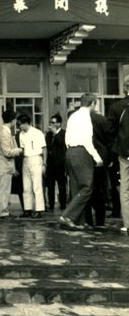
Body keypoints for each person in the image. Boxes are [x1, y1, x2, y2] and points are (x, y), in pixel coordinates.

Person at [60, 94, 104, 230]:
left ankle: (79, 221)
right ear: (93, 103)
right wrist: (97, 157)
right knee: (86, 187)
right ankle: (67, 216)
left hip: (70, 151)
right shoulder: (86, 118)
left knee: (76, 187)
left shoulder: (73, 116)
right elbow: (87, 141)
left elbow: (67, 137)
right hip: (82, 152)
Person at [107, 76, 129, 234]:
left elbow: (110, 131)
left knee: (125, 188)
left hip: (124, 152)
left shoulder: (116, 107)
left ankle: (128, 223)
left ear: (125, 88)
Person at [86, 104, 113, 227]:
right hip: (101, 156)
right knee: (100, 189)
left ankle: (87, 219)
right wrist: (110, 157)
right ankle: (100, 219)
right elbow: (109, 139)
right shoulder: (101, 119)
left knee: (86, 188)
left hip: (85, 156)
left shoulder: (79, 119)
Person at [17, 114, 47, 219]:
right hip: (26, 159)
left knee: (37, 186)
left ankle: (39, 210)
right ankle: (27, 209)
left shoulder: (38, 133)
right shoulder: (21, 134)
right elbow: (22, 149)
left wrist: (44, 164)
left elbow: (44, 149)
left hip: (36, 158)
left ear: (26, 123)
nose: (19, 126)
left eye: (20, 124)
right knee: (26, 186)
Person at [0, 110, 23, 219]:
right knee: (4, 191)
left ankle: (4, 211)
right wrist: (19, 150)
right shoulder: (4, 133)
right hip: (4, 166)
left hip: (6, 166)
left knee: (6, 191)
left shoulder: (5, 131)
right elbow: (7, 152)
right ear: (12, 120)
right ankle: (3, 212)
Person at [45, 114, 67, 212]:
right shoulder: (48, 135)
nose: (51, 124)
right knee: (50, 186)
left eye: (53, 122)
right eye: (50, 122)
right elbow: (47, 147)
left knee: (62, 185)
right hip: (50, 164)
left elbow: (63, 144)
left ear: (59, 123)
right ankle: (51, 205)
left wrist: (55, 134)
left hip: (60, 164)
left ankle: (63, 205)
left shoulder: (64, 133)